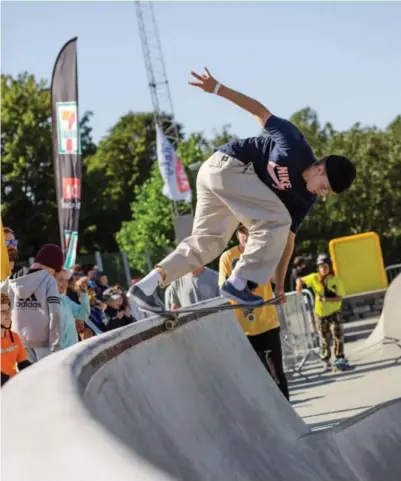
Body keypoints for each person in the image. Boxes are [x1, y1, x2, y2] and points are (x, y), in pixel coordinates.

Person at [130, 68, 356, 313]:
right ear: (319, 169)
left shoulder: (304, 198)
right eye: (324, 187)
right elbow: (260, 112)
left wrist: (281, 283)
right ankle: (238, 282)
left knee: (208, 244)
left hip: (225, 184)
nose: (321, 193)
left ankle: (146, 285)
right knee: (278, 218)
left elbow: (287, 240)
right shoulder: (294, 144)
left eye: (327, 194)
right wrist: (217, 88)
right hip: (226, 165)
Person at [219, 225, 289, 400]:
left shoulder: (262, 250)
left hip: (268, 322)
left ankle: (287, 413)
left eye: (249, 231)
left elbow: (274, 278)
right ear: (237, 234)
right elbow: (222, 288)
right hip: (244, 328)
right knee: (258, 376)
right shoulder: (228, 257)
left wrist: (278, 286)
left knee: (276, 373)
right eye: (242, 232)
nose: (246, 236)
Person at [1, 244, 63, 363]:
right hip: (44, 345)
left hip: (17, 341)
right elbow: (55, 313)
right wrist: (56, 344)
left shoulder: (13, 279)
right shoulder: (49, 281)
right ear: (53, 267)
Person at [296, 254, 350, 371]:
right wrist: (299, 286)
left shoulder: (336, 280)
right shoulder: (315, 278)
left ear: (330, 267)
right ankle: (326, 360)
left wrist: (326, 299)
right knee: (324, 337)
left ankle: (339, 358)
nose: (323, 269)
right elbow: (299, 279)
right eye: (320, 267)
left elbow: (339, 297)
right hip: (320, 314)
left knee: (338, 334)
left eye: (325, 266)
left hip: (334, 311)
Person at [1, 293, 31, 387]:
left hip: (12, 388)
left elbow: (23, 364)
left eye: (8, 310)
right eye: (2, 311)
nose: (8, 314)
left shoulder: (14, 336)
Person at [56, 270, 90, 349]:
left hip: (73, 350)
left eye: (66, 281)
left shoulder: (65, 299)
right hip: (60, 354)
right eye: (61, 280)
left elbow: (83, 315)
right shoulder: (44, 302)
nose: (65, 284)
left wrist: (84, 294)